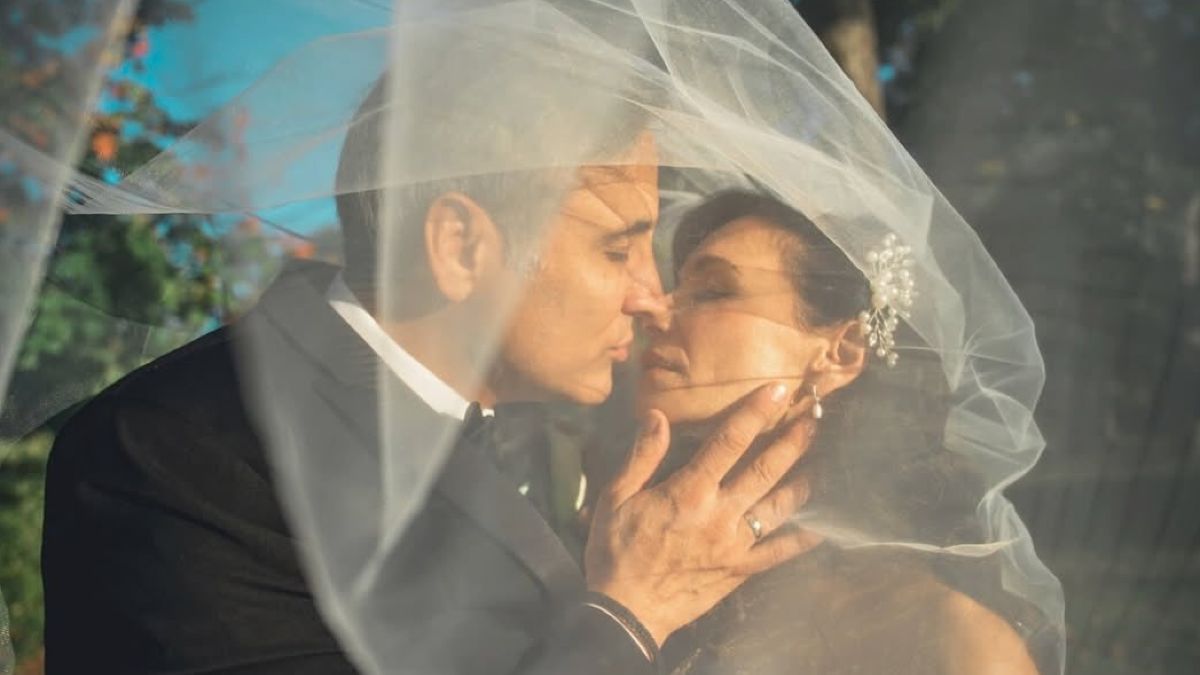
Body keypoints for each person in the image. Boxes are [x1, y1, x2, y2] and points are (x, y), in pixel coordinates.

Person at [41, 68, 817, 675]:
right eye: (618, 249)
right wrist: (627, 614)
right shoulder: (174, 451)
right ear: (460, 247)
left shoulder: (559, 443)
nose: (653, 296)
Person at [637, 190, 1053, 674]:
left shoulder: (945, 638)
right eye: (676, 286)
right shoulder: (620, 542)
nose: (654, 311)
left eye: (713, 292)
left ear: (842, 352)